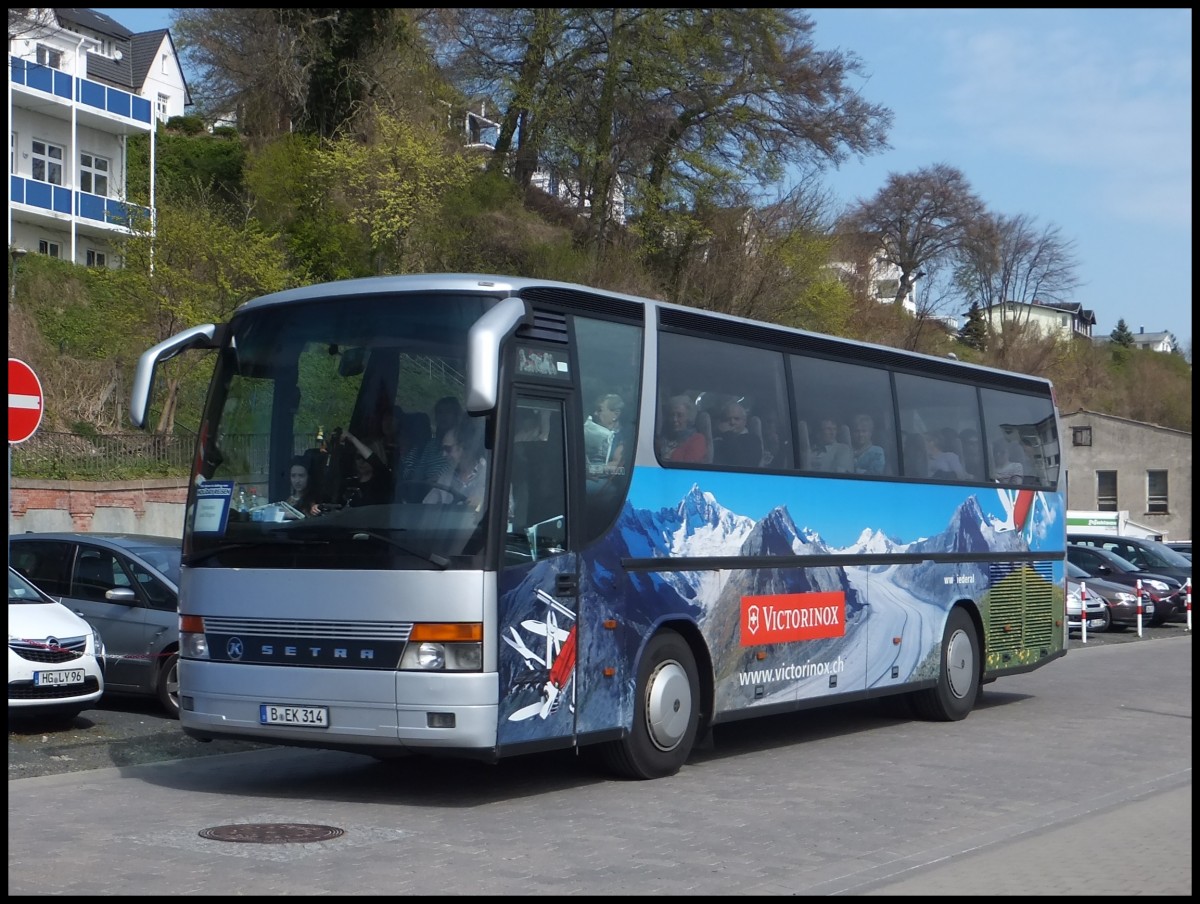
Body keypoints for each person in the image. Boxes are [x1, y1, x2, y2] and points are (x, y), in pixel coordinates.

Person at [424, 415, 488, 510]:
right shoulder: (446, 476)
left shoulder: (491, 475)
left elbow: (506, 514)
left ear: (464, 446)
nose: (444, 454)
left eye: (448, 449)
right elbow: (426, 507)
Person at [414, 396, 463, 486]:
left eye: (448, 412)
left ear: (456, 416)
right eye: (440, 412)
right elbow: (418, 472)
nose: (443, 416)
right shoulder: (431, 445)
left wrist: (438, 480)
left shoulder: (461, 445)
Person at [584, 392, 627, 491]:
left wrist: (591, 470)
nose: (595, 413)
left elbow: (617, 466)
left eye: (600, 410)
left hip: (607, 482)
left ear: (615, 414)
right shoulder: (591, 431)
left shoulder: (622, 437)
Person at [342, 429, 393, 506]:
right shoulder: (350, 482)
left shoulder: (384, 480)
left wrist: (352, 438)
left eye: (365, 458)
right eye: (358, 457)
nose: (361, 462)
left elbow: (375, 461)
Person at [712, 399, 762, 467]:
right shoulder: (715, 439)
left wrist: (727, 434)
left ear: (745, 421)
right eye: (727, 419)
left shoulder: (753, 440)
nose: (732, 422)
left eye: (736, 419)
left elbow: (743, 464)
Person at [657, 394, 707, 463]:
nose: (675, 419)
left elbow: (688, 466)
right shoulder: (662, 438)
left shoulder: (697, 439)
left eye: (679, 415)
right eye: (672, 415)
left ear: (688, 417)